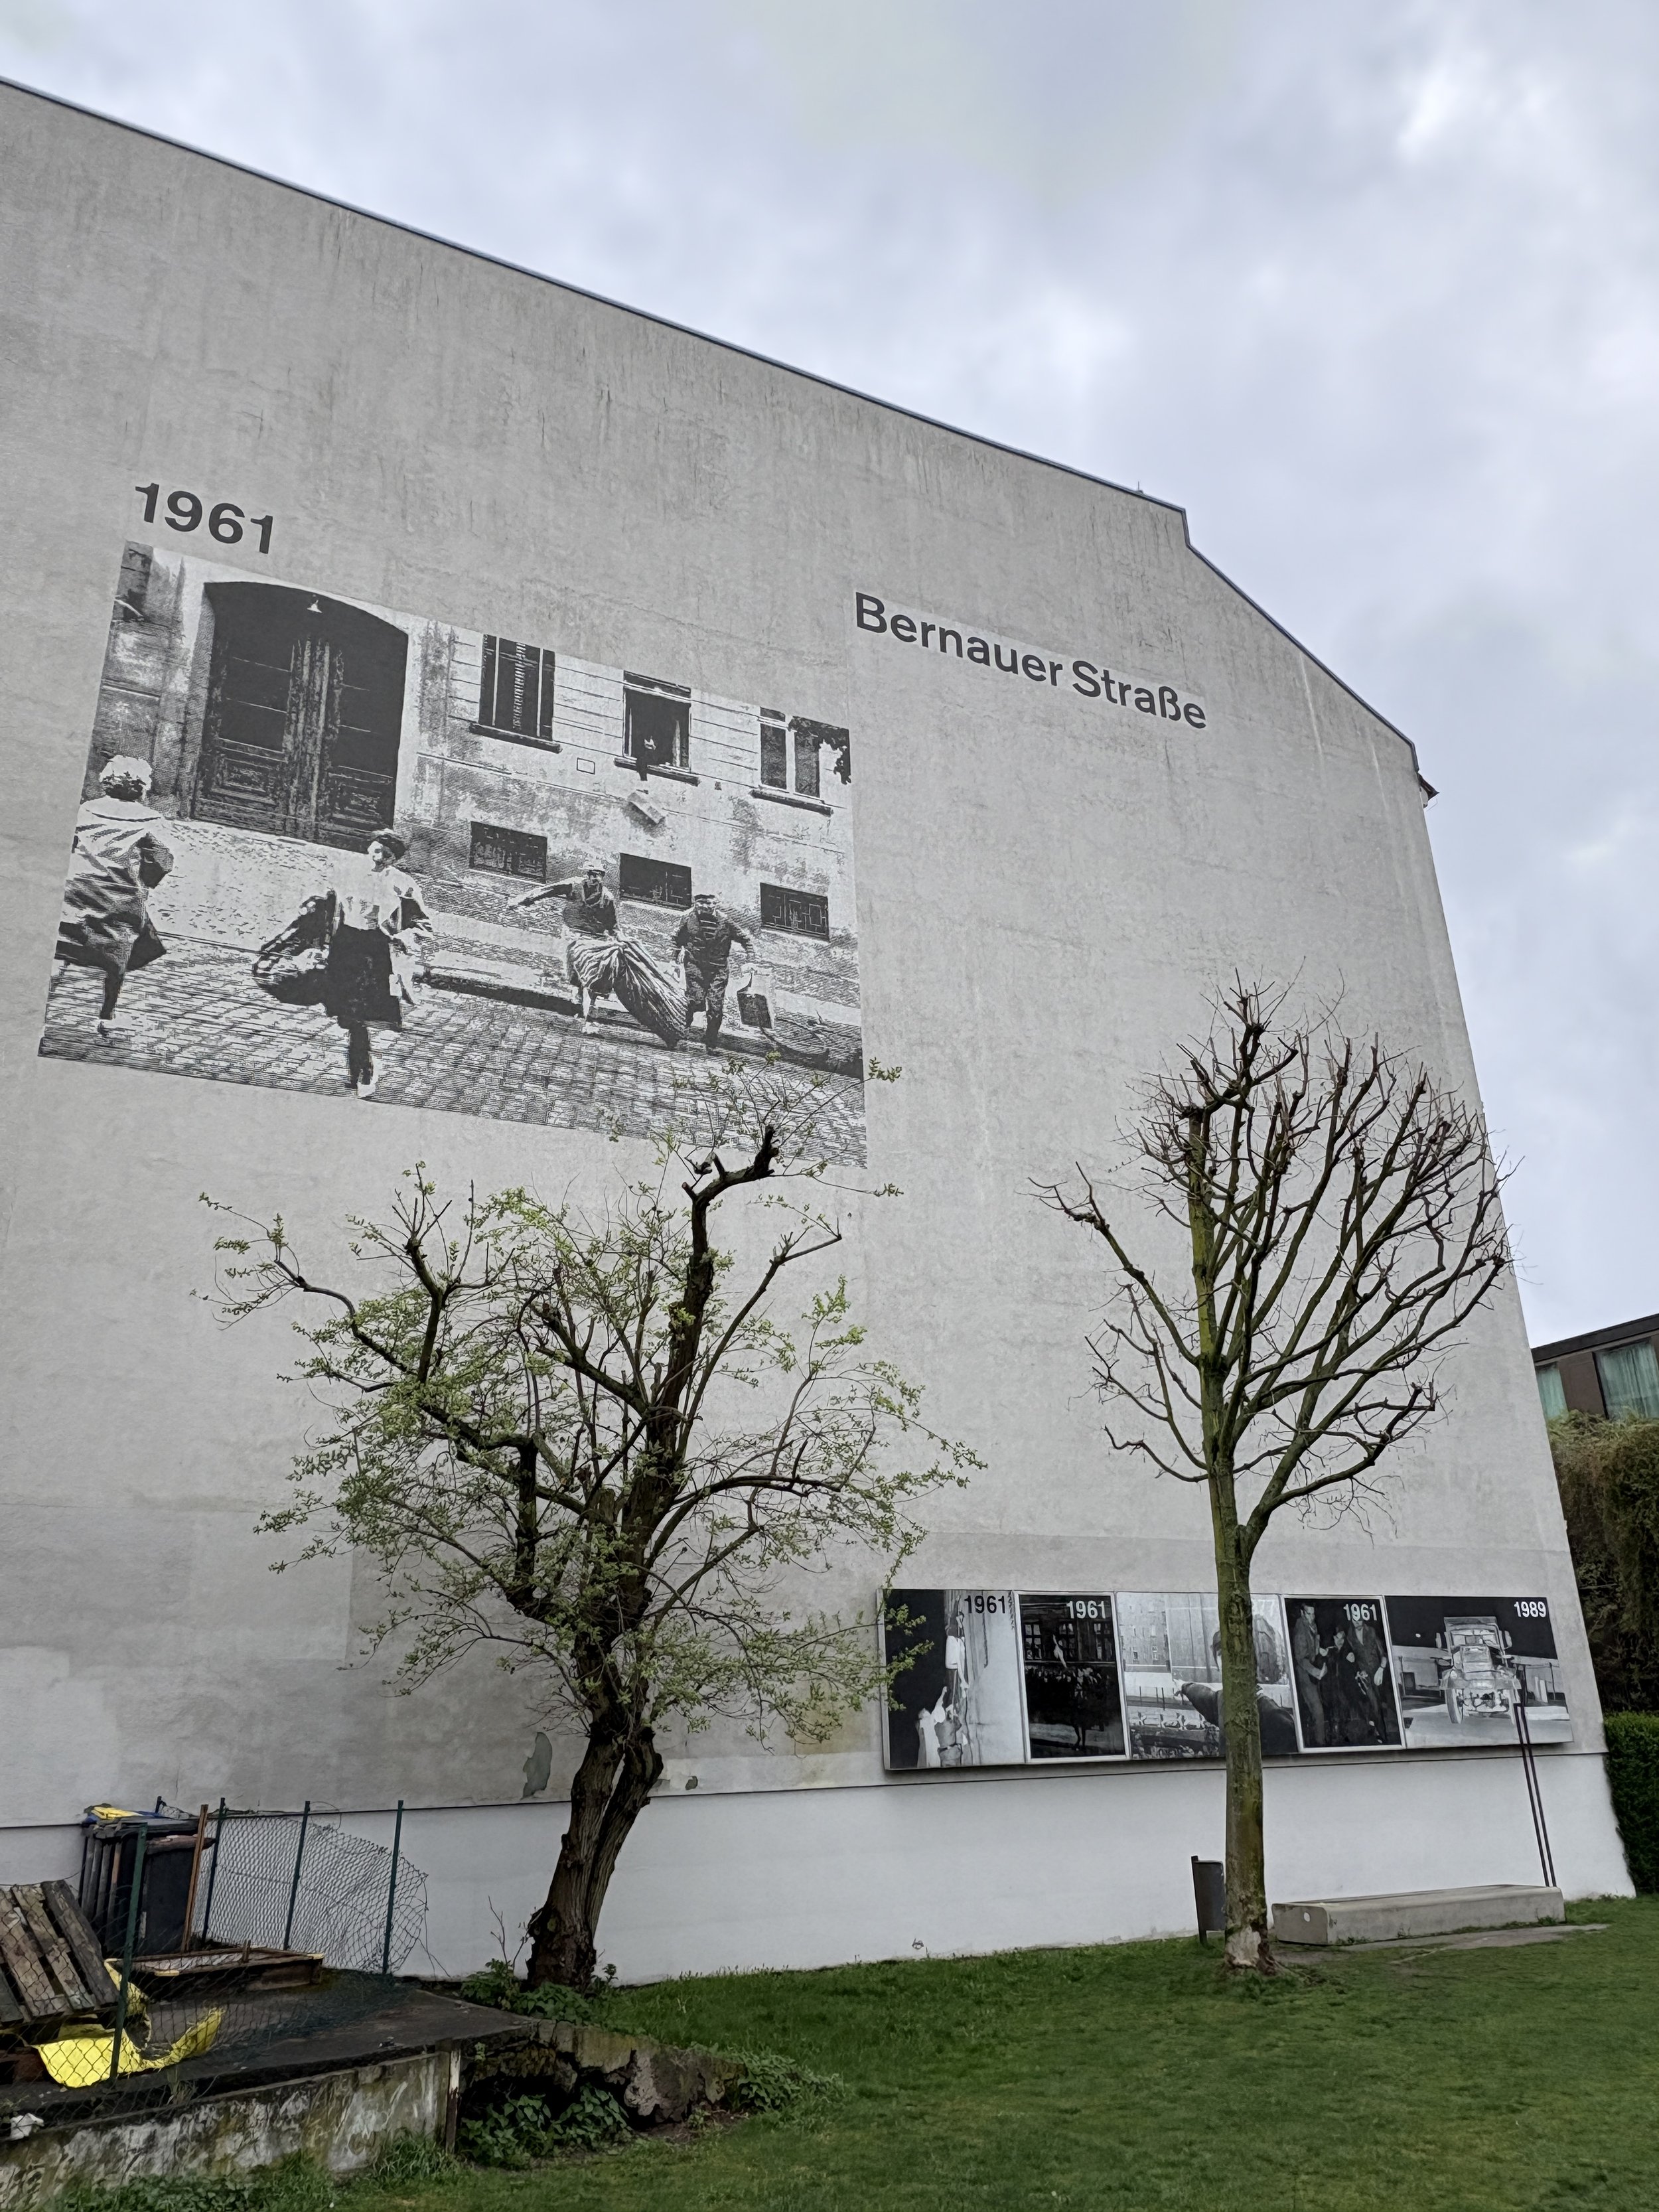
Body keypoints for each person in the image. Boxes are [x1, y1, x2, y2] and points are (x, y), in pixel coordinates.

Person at [53, 754, 174, 1039]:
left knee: (62, 944)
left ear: (107, 781)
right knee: (119, 952)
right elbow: (162, 860)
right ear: (142, 787)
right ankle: (107, 1015)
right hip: (119, 894)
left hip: (76, 887)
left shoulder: (85, 810)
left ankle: (44, 999)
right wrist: (145, 882)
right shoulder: (150, 820)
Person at [320, 831, 430, 1099]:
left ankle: (365, 1069)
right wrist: (322, 945)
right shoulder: (347, 873)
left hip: (374, 949)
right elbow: (329, 909)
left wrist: (404, 936)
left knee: (359, 1016)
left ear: (394, 859)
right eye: (377, 850)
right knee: (347, 1013)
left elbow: (422, 923)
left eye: (387, 855)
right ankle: (355, 1069)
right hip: (344, 945)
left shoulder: (402, 883)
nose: (379, 857)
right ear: (370, 847)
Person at [509, 857, 619, 1034]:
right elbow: (548, 891)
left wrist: (617, 938)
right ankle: (576, 991)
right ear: (586, 875)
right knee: (574, 971)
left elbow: (612, 923)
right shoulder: (573, 886)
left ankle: (590, 1017)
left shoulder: (607, 898)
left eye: (598, 875)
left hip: (595, 938)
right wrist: (523, 900)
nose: (594, 878)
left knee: (595, 976)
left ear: (602, 877)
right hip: (573, 934)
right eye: (591, 874)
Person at [672, 889, 754, 1053]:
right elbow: (676, 938)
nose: (706, 907)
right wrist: (674, 958)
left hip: (718, 969)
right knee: (695, 1001)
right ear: (696, 903)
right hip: (695, 966)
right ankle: (681, 1032)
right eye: (701, 903)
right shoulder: (688, 918)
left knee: (716, 1008)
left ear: (716, 904)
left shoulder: (725, 922)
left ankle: (710, 1042)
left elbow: (745, 939)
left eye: (710, 903)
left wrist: (751, 959)